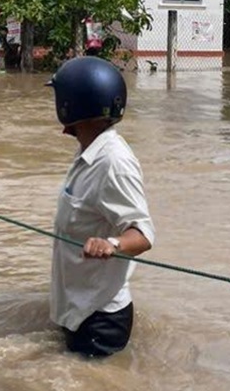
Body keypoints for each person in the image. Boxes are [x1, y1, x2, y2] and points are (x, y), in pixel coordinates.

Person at [45, 56, 156, 358]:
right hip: (77, 308)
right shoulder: (90, 153)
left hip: (99, 319)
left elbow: (143, 234)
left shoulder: (112, 162)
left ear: (70, 105)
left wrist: (112, 243)